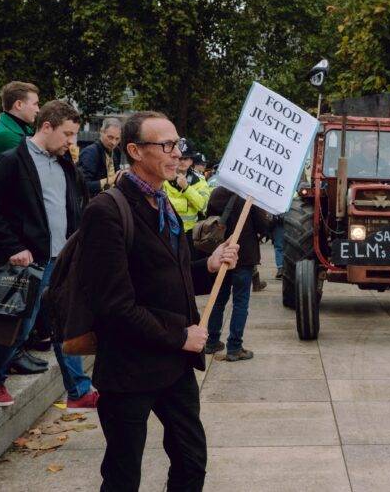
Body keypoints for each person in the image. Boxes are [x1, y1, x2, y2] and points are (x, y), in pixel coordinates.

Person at [74, 111, 239, 491]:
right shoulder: (107, 210)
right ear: (134, 150)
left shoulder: (163, 202)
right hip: (129, 368)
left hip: (173, 367)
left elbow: (169, 276)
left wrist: (208, 267)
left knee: (191, 460)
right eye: (165, 145)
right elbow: (113, 304)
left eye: (177, 144)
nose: (176, 153)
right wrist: (180, 336)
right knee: (123, 474)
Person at [0, 100, 97, 409]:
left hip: (61, 258)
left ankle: (79, 391)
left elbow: (72, 205)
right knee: (19, 325)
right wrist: (14, 247)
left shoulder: (64, 163)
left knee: (64, 324)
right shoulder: (12, 161)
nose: (72, 142)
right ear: (46, 126)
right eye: (67, 134)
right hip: (27, 262)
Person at [204, 187, 269, 360]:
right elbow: (263, 226)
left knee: (218, 300)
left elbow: (208, 219)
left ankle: (211, 342)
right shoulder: (250, 196)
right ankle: (234, 347)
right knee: (240, 302)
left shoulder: (217, 193)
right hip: (244, 256)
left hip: (221, 252)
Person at [164, 142, 211, 253]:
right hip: (167, 232)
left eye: (186, 158)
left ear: (191, 161)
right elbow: (159, 202)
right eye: (180, 158)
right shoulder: (162, 177)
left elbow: (204, 206)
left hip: (190, 234)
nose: (182, 161)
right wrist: (186, 203)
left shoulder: (200, 181)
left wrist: (186, 188)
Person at [0, 81, 39, 162]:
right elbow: (36, 163)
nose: (38, 110)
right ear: (19, 105)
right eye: (35, 104)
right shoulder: (5, 135)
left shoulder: (22, 128)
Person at [79, 117, 123, 196]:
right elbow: (83, 185)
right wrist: (111, 180)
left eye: (117, 139)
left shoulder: (116, 151)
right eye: (110, 137)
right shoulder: (90, 152)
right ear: (101, 132)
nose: (114, 142)